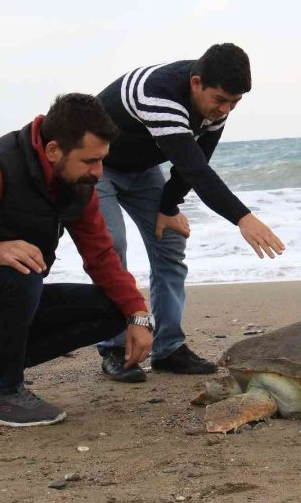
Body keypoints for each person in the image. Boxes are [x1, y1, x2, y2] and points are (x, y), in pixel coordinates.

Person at [0, 93, 155, 426]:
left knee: (114, 306)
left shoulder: (78, 184)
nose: (99, 171)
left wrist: (137, 313)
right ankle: (2, 397)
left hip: (5, 300)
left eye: (102, 160)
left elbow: (101, 256)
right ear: (53, 151)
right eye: (90, 161)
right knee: (20, 268)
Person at [94, 43, 285, 381]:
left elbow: (196, 160)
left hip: (141, 169)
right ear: (196, 83)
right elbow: (196, 170)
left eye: (235, 103)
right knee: (112, 245)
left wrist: (168, 206)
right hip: (96, 167)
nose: (226, 109)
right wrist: (243, 217)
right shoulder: (158, 94)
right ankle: (114, 346)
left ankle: (169, 348)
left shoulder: (215, 107)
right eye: (221, 100)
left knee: (169, 243)